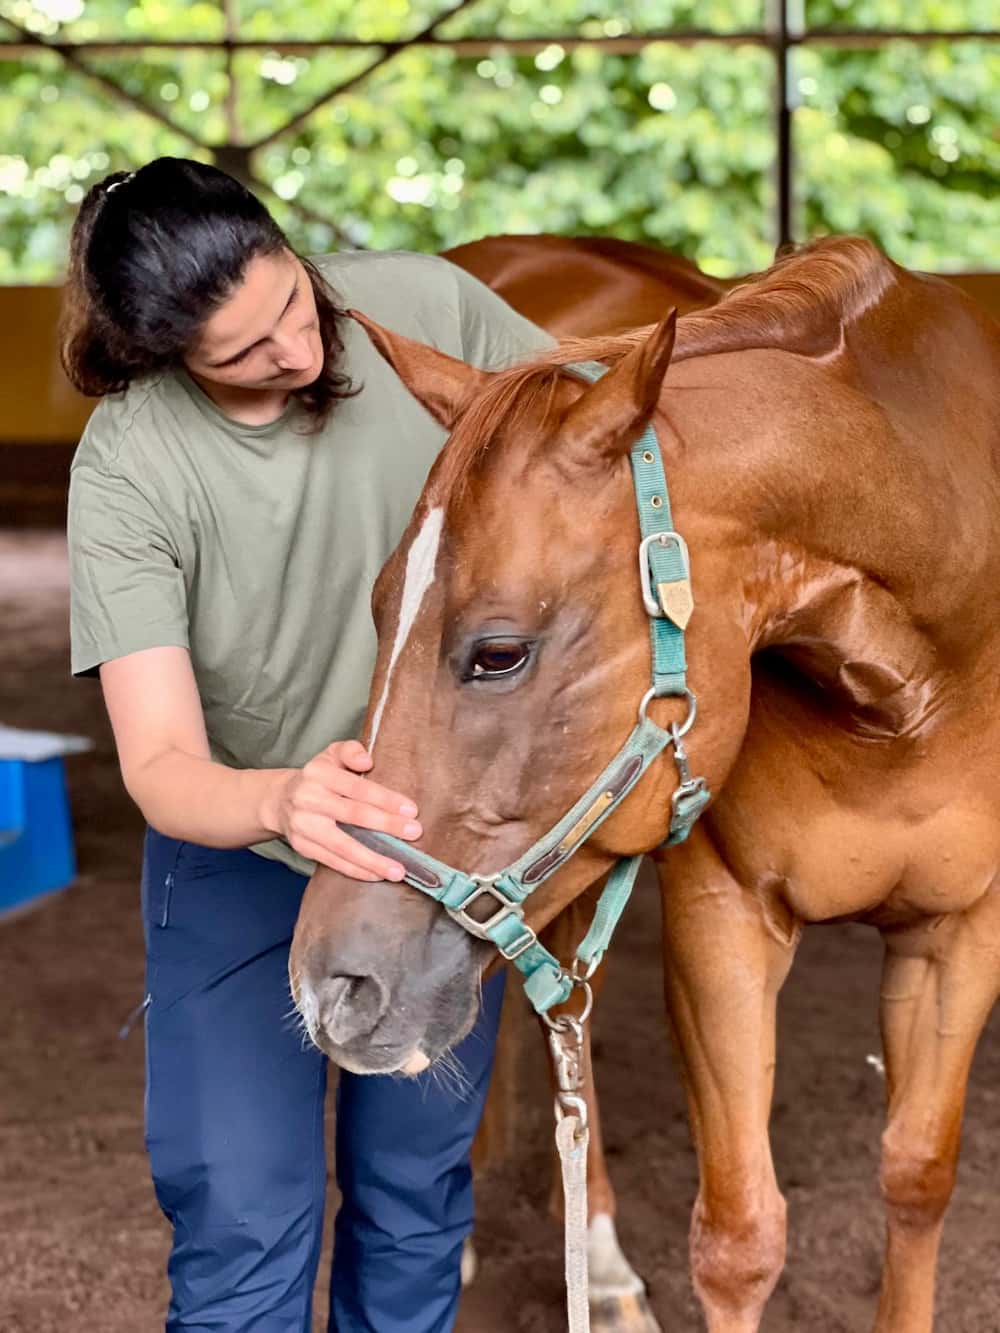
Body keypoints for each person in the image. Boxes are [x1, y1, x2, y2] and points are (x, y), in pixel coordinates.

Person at [62, 156, 551, 1332]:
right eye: (242, 353)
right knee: (242, 1207)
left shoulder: (422, 308)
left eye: (290, 300)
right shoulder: (129, 468)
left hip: (431, 852)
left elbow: (601, 449)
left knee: (415, 1192)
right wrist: (285, 801)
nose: (295, 348)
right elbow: (163, 763)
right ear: (163, 358)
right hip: (241, 851)